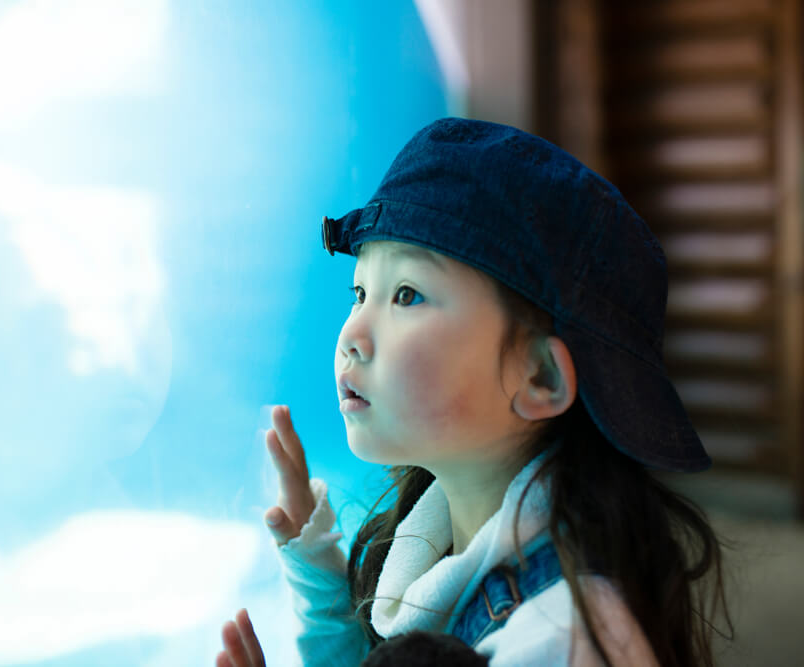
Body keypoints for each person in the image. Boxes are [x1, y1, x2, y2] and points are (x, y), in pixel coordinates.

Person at [216, 118, 731, 667]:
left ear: (541, 379)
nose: (352, 336)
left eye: (408, 295)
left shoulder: (563, 642)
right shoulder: (453, 550)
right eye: (360, 292)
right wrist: (322, 579)